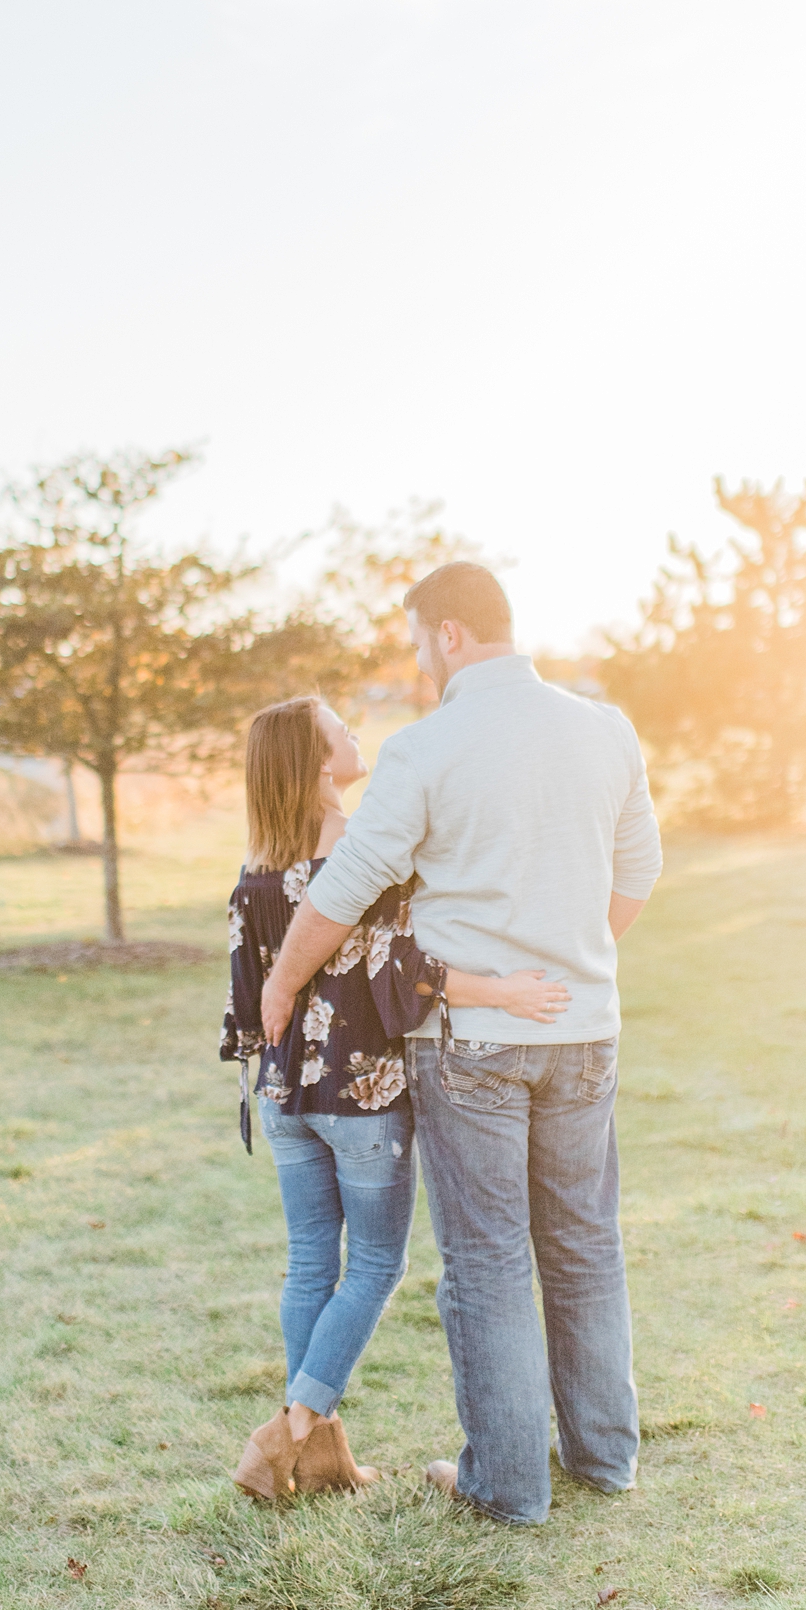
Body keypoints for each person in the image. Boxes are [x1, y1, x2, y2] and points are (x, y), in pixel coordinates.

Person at [260, 566, 663, 1526]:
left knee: (487, 1262)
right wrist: (574, 957)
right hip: (584, 1026)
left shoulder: (428, 747)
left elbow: (347, 883)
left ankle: (507, 1484)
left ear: (447, 634)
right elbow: (639, 870)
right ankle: (604, 1460)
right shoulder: (605, 729)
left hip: (473, 1043)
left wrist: (279, 981)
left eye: (414, 640)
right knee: (585, 1246)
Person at [221, 693, 571, 1500]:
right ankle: (288, 1433)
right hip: (359, 1096)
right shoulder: (355, 849)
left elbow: (247, 990)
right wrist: (503, 992)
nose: (352, 731)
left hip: (285, 1096)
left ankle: (319, 1459)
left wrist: (263, 1060)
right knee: (376, 1263)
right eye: (337, 726)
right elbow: (399, 969)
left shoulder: (257, 863)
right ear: (316, 762)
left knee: (311, 1261)